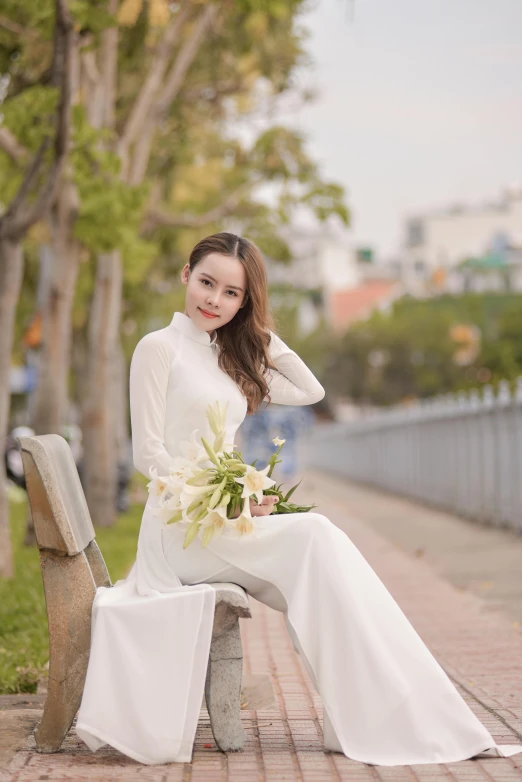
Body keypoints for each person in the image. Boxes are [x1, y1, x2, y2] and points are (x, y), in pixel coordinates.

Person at [75, 232, 522, 767]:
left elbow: (310, 391)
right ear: (185, 276)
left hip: (223, 525)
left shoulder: (228, 358)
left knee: (332, 571)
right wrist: (229, 498)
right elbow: (149, 455)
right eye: (206, 282)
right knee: (317, 537)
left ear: (244, 302)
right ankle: (381, 716)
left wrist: (257, 333)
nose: (214, 300)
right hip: (179, 532)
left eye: (232, 293)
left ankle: (383, 716)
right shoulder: (158, 348)